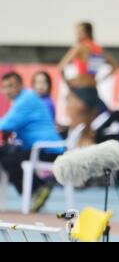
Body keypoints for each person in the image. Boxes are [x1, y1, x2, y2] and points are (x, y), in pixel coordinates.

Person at [0, 72, 64, 212]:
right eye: (4, 87)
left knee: (8, 160)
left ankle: (38, 188)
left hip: (48, 150)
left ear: (20, 85)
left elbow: (6, 124)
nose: (7, 90)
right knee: (3, 153)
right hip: (38, 148)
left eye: (11, 86)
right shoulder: (24, 99)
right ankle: (37, 188)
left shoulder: (26, 100)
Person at [58, 22, 119, 89]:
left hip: (80, 86)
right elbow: (116, 65)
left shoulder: (80, 47)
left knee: (69, 97)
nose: (77, 36)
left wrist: (67, 83)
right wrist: (101, 79)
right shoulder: (99, 49)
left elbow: (61, 66)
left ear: (87, 33)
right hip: (92, 87)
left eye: (79, 33)